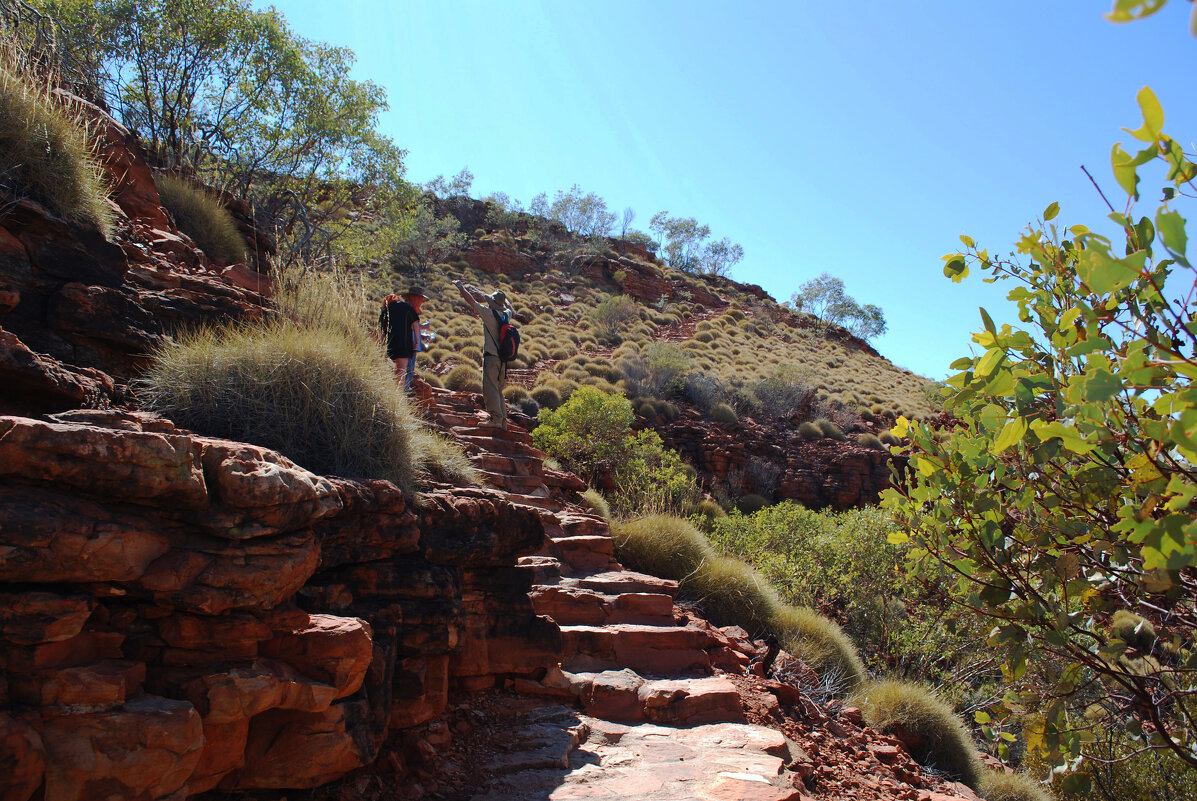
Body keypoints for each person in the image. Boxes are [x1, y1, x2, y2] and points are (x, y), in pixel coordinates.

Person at [454, 278, 513, 429]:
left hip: (491, 357)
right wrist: (503, 299)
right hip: (503, 360)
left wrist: (460, 287)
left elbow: (471, 301)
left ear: (492, 302)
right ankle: (503, 422)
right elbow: (510, 308)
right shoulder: (506, 315)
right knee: (498, 389)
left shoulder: (489, 314)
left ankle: (495, 420)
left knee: (490, 388)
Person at [378, 287, 427, 391]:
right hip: (405, 345)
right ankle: (400, 393)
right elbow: (416, 326)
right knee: (403, 371)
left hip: (391, 344)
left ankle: (394, 391)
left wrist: (380, 345)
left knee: (396, 370)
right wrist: (417, 342)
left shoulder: (386, 311)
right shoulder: (407, 307)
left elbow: (381, 331)